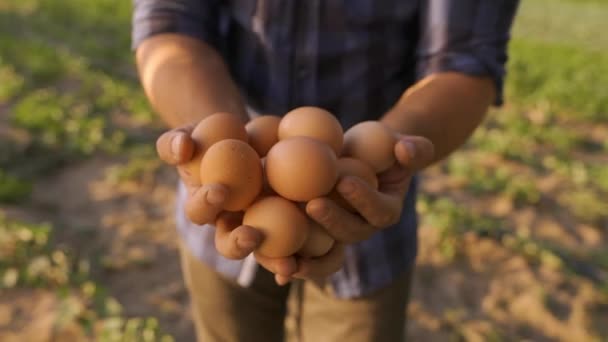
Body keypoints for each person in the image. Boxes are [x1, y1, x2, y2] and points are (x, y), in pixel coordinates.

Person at [132, 1, 520, 341]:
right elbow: (169, 23)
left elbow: (466, 60)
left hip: (369, 216)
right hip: (224, 215)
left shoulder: (352, 173)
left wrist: (388, 150)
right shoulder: (237, 170)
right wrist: (212, 144)